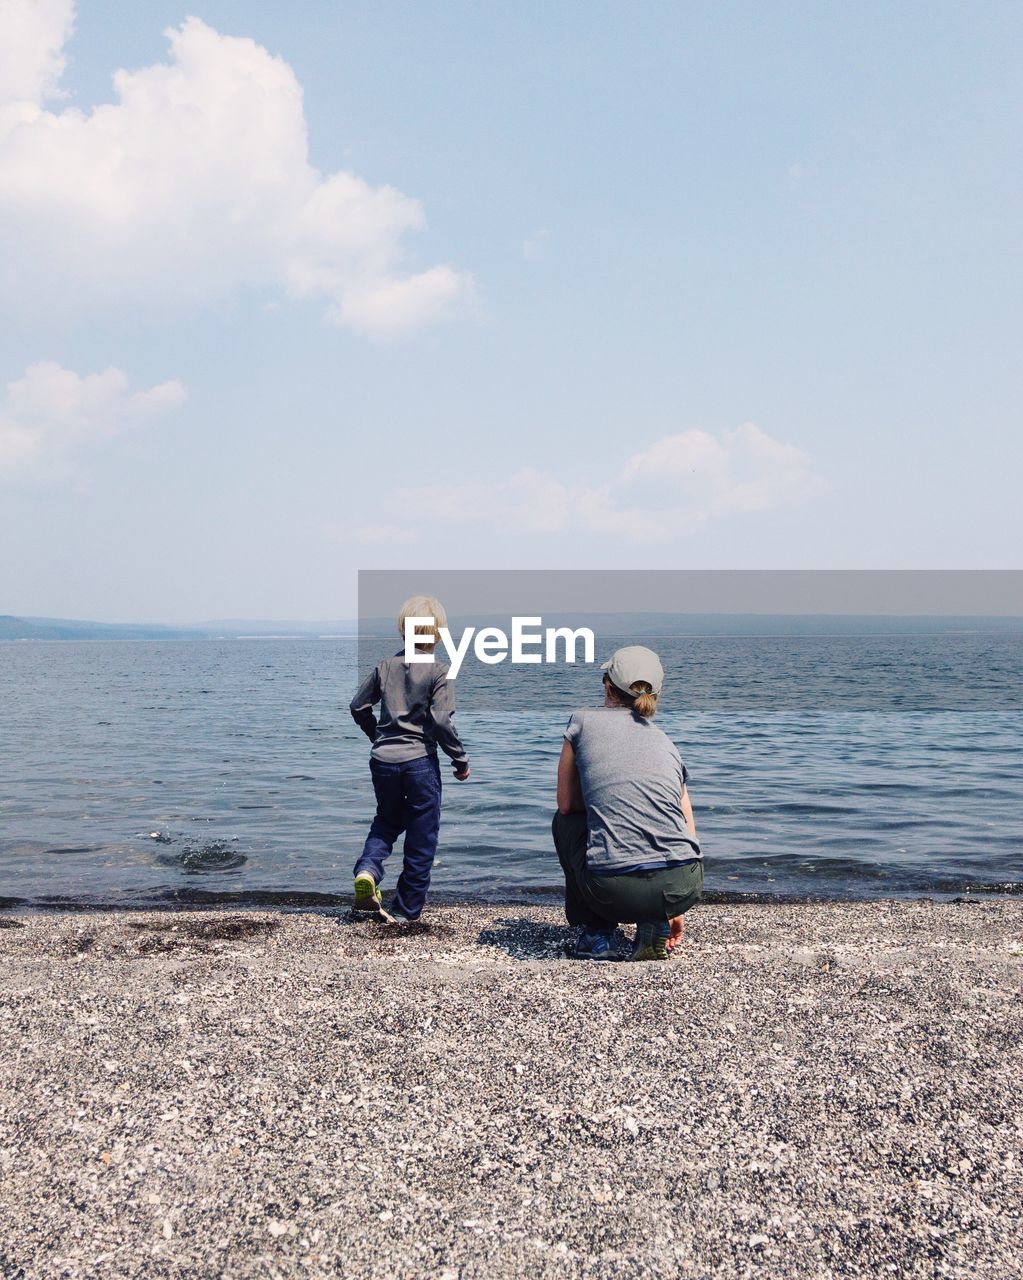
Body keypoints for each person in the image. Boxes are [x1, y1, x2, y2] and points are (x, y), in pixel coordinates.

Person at [553, 645, 701, 961]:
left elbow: (565, 803)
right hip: (684, 881)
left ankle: (598, 933)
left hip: (612, 891)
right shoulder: (666, 742)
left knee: (564, 822)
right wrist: (673, 901)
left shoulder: (581, 721)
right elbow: (686, 822)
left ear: (607, 687)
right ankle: (653, 918)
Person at [350, 595, 471, 924]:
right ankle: (406, 910)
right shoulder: (439, 673)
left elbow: (358, 707)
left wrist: (376, 735)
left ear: (404, 630)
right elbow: (443, 722)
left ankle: (368, 871)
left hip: (383, 760)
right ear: (438, 635)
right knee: (422, 834)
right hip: (419, 762)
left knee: (387, 821)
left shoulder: (385, 668)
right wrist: (460, 760)